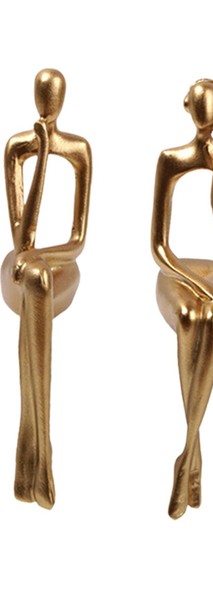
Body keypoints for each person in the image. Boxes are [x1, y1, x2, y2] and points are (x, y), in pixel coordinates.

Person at [151, 79, 213, 519]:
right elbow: (159, 249)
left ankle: (186, 456)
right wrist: (197, 284)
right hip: (175, 269)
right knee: (194, 315)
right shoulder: (171, 160)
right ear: (189, 110)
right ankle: (191, 456)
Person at [2, 69, 92, 508]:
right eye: (42, 94)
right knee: (34, 277)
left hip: (58, 265)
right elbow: (22, 240)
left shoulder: (78, 150)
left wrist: (39, 258)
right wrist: (39, 155)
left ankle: (32, 444)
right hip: (19, 266)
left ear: (61, 99)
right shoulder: (17, 148)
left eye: (52, 95)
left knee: (38, 277)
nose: (47, 103)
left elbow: (77, 241)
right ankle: (43, 452)